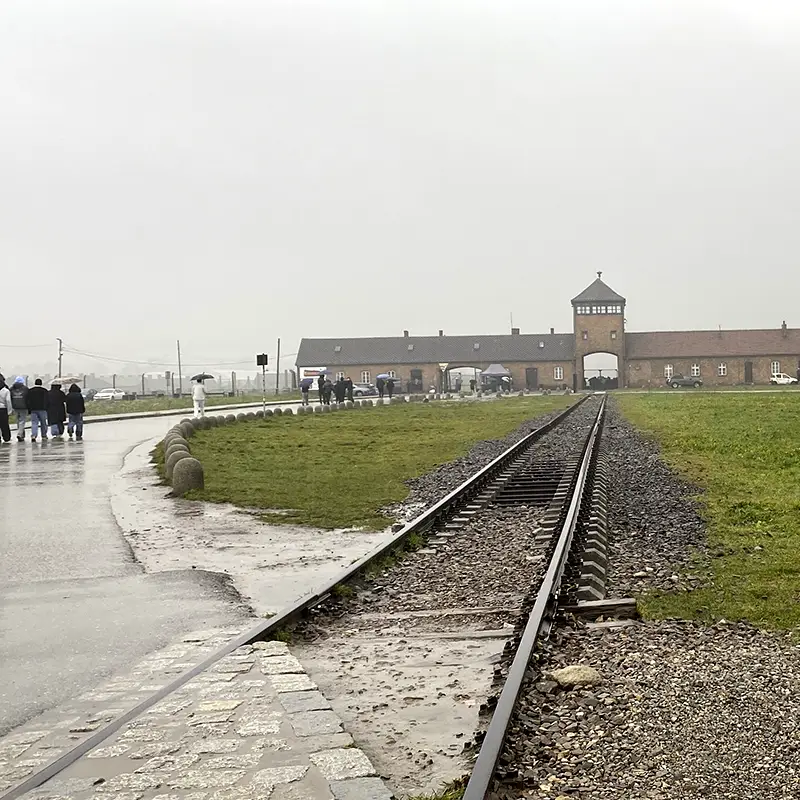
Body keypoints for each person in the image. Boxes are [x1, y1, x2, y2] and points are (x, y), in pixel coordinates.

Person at [10, 377, 29, 441]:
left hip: (15, 406)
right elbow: (28, 398)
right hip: (23, 407)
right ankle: (20, 434)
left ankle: (21, 434)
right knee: (22, 421)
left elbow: (10, 398)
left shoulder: (11, 389)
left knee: (18, 421)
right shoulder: (25, 389)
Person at [0, 377, 12, 443]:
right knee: (4, 424)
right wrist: (9, 411)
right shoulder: (6, 391)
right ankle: (6, 437)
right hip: (3, 409)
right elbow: (8, 401)